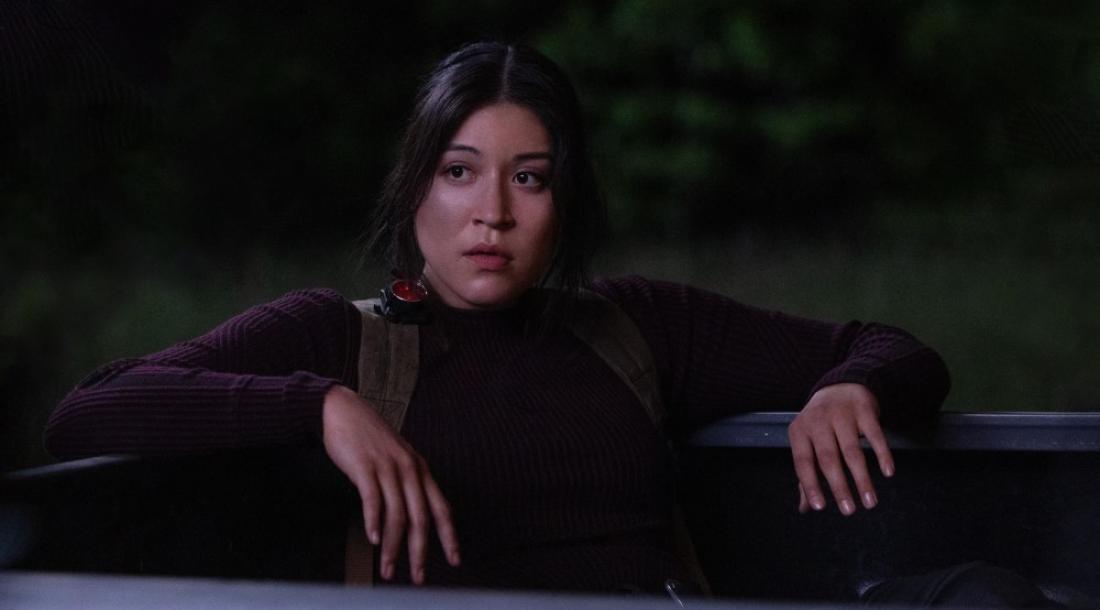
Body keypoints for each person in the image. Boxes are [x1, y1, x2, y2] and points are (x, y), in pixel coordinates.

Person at [45, 41, 951, 595]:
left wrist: (849, 387)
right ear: (415, 190)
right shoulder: (339, 338)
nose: (494, 214)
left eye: (529, 178)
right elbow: (88, 410)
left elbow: (895, 350)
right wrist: (319, 403)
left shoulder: (636, 325)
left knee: (978, 594)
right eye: (459, 172)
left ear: (565, 200)